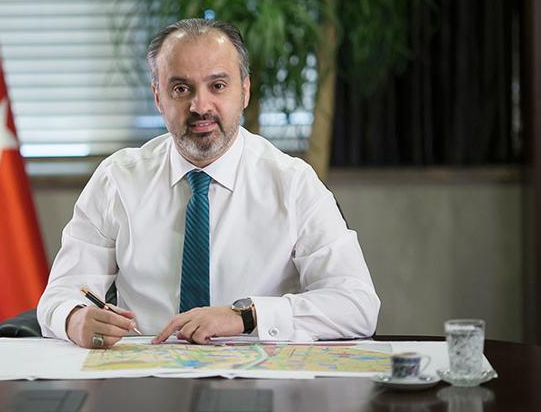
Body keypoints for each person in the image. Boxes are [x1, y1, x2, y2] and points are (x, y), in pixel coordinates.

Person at [37, 18, 380, 349]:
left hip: (257, 377)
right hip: (145, 374)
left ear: (244, 91)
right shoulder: (118, 179)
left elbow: (358, 305)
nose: (200, 106)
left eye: (217, 86)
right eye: (180, 89)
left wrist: (247, 317)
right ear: (158, 97)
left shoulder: (293, 183)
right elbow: (60, 295)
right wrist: (75, 319)